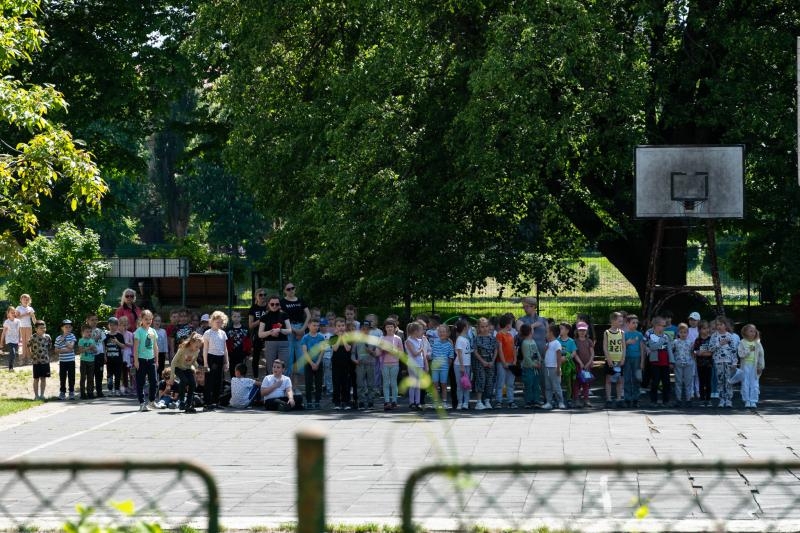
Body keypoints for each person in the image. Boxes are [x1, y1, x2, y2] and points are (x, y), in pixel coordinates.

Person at [280, 282, 310, 379]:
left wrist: (302, 330)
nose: (291, 290)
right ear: (285, 291)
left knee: (300, 357)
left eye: (292, 288)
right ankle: (287, 384)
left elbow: (308, 315)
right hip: (289, 329)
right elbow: (282, 318)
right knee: (289, 358)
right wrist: (295, 331)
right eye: (288, 289)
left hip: (301, 327)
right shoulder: (282, 302)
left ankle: (296, 385)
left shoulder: (301, 300)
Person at [202, 310, 230, 411]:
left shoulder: (223, 333)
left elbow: (225, 348)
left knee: (219, 381)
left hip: (220, 357)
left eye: (221, 322)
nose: (219, 324)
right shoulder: (207, 333)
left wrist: (227, 362)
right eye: (217, 322)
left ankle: (216, 402)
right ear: (212, 321)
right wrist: (205, 363)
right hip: (211, 357)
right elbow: (205, 349)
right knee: (209, 380)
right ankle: (207, 403)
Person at [133, 309, 159, 412]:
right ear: (141, 319)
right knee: (141, 382)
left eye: (150, 319)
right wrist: (136, 361)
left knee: (154, 381)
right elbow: (135, 348)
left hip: (151, 359)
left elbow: (155, 346)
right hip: (141, 360)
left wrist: (156, 360)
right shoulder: (138, 332)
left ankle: (152, 401)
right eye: (146, 319)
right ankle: (142, 403)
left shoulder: (153, 331)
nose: (148, 321)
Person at [709, 316, 737, 408]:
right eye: (717, 325)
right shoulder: (714, 336)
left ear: (725, 325)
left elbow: (733, 350)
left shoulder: (730, 336)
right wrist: (719, 344)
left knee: (728, 381)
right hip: (718, 361)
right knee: (720, 381)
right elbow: (711, 348)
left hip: (728, 362)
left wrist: (734, 363)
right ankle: (721, 400)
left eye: (721, 324)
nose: (719, 326)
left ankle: (728, 400)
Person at [645, 316, 674, 407]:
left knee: (666, 382)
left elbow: (669, 349)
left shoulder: (666, 336)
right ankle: (653, 401)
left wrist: (671, 361)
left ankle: (666, 401)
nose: (664, 327)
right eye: (662, 325)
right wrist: (661, 340)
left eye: (664, 326)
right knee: (655, 382)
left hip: (665, 363)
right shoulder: (651, 336)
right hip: (655, 363)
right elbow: (653, 347)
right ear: (656, 326)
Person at [171, 332, 203, 413]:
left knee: (192, 383)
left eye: (199, 347)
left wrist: (198, 368)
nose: (197, 348)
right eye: (196, 346)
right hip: (178, 367)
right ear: (192, 342)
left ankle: (189, 403)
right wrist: (172, 376)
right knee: (184, 380)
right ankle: (181, 401)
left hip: (187, 368)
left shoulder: (197, 351)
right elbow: (173, 362)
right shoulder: (183, 348)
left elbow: (193, 361)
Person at [257, 295, 291, 371]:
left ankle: (284, 382)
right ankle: (272, 383)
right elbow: (260, 334)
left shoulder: (284, 315)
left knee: (284, 367)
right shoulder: (264, 317)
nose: (274, 306)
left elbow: (289, 330)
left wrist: (280, 330)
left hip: (283, 344)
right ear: (268, 304)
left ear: (279, 305)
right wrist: (270, 332)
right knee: (270, 368)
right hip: (270, 344)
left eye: (277, 304)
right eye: (272, 304)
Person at [738, 324, 765, 409]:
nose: (753, 333)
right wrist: (748, 350)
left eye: (754, 331)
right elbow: (740, 354)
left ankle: (753, 400)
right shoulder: (742, 342)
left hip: (755, 366)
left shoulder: (757, 343)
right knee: (745, 383)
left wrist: (760, 366)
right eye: (751, 331)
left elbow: (761, 355)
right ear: (745, 332)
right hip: (745, 366)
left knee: (754, 383)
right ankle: (747, 400)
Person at [302, 317, 326, 409]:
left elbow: (322, 351)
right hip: (308, 363)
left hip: (318, 363)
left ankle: (317, 401)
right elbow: (305, 351)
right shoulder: (305, 337)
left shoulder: (321, 337)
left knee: (318, 383)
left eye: (317, 326)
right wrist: (312, 363)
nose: (316, 327)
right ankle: (308, 401)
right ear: (308, 326)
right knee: (308, 383)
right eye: (314, 325)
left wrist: (318, 362)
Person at [351, 320, 377, 409]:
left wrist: (371, 352)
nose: (365, 330)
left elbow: (377, 353)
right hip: (360, 365)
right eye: (363, 329)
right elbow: (353, 353)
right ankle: (361, 402)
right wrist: (355, 360)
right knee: (360, 384)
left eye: (367, 329)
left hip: (370, 364)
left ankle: (371, 402)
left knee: (371, 384)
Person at [473, 318, 497, 410]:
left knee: (489, 381)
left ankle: (487, 400)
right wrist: (483, 361)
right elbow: (475, 351)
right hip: (480, 362)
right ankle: (479, 402)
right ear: (478, 328)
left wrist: (492, 361)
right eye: (482, 327)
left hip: (490, 362)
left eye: (486, 326)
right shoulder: (476, 339)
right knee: (481, 380)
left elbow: (495, 350)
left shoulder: (492, 338)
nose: (485, 328)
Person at [603, 312, 625, 408]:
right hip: (610, 359)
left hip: (619, 360)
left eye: (622, 321)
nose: (621, 322)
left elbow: (623, 346)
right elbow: (605, 346)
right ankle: (608, 399)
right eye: (619, 321)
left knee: (619, 380)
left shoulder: (622, 333)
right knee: (608, 379)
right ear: (613, 321)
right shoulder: (607, 333)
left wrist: (623, 358)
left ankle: (619, 398)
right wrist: (608, 359)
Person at [329, 317, 352, 410]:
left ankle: (346, 402)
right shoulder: (332, 337)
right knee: (336, 383)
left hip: (346, 363)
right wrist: (339, 338)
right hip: (336, 364)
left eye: (342, 325)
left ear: (345, 326)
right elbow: (335, 348)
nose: (341, 328)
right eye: (338, 326)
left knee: (346, 383)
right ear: (335, 327)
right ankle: (337, 402)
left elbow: (347, 348)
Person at [622, 315, 645, 408]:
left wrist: (642, 361)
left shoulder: (639, 334)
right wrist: (627, 343)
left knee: (637, 378)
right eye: (633, 323)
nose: (635, 325)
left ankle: (636, 399)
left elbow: (642, 348)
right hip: (627, 358)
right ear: (627, 323)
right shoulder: (624, 334)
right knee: (627, 378)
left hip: (637, 358)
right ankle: (627, 399)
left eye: (636, 323)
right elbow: (622, 347)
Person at [380, 319, 403, 411]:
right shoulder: (382, 338)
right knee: (385, 383)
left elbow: (401, 352)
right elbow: (379, 350)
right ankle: (386, 401)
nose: (389, 328)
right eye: (387, 327)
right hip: (384, 363)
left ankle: (394, 401)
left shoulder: (398, 338)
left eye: (391, 327)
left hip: (394, 363)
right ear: (385, 328)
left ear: (395, 328)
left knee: (393, 382)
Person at [430, 324, 454, 409]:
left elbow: (451, 356)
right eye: (440, 332)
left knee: (444, 385)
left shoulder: (449, 344)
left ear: (448, 333)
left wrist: (448, 366)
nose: (441, 333)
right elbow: (432, 354)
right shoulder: (435, 342)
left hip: (444, 368)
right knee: (435, 385)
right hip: (435, 367)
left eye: (443, 332)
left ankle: (444, 402)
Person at [494, 315, 516, 408]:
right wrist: (503, 362)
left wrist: (514, 360)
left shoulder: (510, 335)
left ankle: (511, 400)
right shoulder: (499, 334)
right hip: (501, 362)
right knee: (500, 382)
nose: (512, 325)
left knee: (510, 383)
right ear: (507, 325)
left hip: (510, 362)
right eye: (511, 323)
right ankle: (499, 400)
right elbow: (500, 349)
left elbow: (514, 348)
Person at [542, 324, 565, 410]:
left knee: (556, 386)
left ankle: (560, 402)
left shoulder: (556, 343)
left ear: (551, 333)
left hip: (554, 367)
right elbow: (544, 355)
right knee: (548, 386)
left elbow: (559, 356)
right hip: (547, 367)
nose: (546, 334)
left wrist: (558, 367)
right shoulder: (548, 343)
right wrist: (545, 349)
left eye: (547, 332)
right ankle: (549, 402)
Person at [404, 322, 426, 411]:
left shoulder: (419, 340)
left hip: (420, 364)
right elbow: (414, 353)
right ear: (415, 331)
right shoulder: (408, 341)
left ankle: (417, 402)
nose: (422, 332)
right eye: (420, 330)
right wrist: (421, 348)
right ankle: (411, 402)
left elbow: (421, 354)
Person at [248, 289, 269, 379]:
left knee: (269, 357)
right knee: (256, 357)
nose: (263, 297)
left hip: (268, 334)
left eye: (264, 295)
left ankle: (269, 377)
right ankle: (256, 377)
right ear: (256, 296)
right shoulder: (253, 308)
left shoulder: (269, 306)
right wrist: (262, 319)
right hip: (257, 335)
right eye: (260, 295)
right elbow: (251, 325)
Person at [519, 323, 541, 408]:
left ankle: (536, 400)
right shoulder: (525, 343)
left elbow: (537, 351)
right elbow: (526, 357)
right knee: (528, 384)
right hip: (528, 368)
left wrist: (539, 360)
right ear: (529, 332)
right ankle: (528, 401)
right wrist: (533, 364)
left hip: (536, 366)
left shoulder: (533, 341)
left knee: (536, 384)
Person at [54, 319, 77, 400]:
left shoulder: (72, 336)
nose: (68, 329)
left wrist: (64, 341)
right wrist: (65, 350)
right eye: (66, 327)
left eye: (69, 327)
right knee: (62, 377)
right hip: (63, 361)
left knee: (71, 377)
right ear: (62, 328)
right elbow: (56, 350)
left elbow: (71, 347)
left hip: (71, 361)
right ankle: (62, 392)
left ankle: (71, 392)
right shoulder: (58, 338)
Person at [673, 323, 695, 407]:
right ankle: (678, 399)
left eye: (685, 332)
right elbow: (671, 351)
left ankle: (688, 399)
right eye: (681, 332)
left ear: (687, 333)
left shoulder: (690, 342)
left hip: (688, 364)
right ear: (678, 333)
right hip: (678, 364)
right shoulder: (675, 342)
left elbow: (693, 352)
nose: (683, 334)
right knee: (678, 382)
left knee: (688, 382)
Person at [28, 320, 51, 400]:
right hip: (36, 361)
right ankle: (36, 396)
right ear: (36, 329)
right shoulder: (33, 337)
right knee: (36, 379)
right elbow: (28, 346)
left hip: (45, 361)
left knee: (43, 378)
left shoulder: (48, 337)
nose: (43, 329)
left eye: (44, 328)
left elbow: (49, 347)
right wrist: (31, 354)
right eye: (41, 328)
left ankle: (42, 395)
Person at [693, 320, 714, 407]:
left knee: (708, 382)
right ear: (699, 330)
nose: (706, 330)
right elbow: (695, 351)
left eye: (707, 328)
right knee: (701, 382)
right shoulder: (698, 340)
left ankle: (708, 399)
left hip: (709, 364)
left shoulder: (711, 339)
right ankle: (702, 399)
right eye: (704, 328)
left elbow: (711, 352)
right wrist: (699, 353)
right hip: (700, 364)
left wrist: (702, 353)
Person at [573, 322, 594, 407]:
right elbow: (575, 354)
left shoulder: (589, 341)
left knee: (586, 383)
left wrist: (589, 363)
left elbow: (592, 353)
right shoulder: (575, 341)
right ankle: (576, 399)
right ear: (577, 331)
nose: (582, 332)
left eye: (584, 330)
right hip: (578, 365)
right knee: (576, 383)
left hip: (587, 366)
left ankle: (586, 399)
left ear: (587, 331)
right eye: (580, 330)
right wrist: (580, 363)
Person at [557, 322, 577, 408]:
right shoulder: (557, 340)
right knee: (558, 382)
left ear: (567, 330)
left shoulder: (571, 341)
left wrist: (567, 358)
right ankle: (558, 399)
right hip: (558, 364)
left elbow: (574, 353)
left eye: (561, 328)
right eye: (559, 328)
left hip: (568, 365)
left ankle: (569, 398)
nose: (560, 330)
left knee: (568, 383)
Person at [226, 310, 251, 379]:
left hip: (242, 354)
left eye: (238, 316)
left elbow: (248, 342)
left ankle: (241, 386)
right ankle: (234, 385)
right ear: (231, 317)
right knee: (232, 370)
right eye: (234, 316)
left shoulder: (245, 329)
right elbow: (226, 343)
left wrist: (248, 353)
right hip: (231, 354)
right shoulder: (228, 330)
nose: (236, 318)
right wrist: (227, 354)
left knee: (241, 370)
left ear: (241, 318)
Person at [454, 319, 472, 410]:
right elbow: (460, 353)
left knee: (466, 384)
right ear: (465, 328)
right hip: (460, 365)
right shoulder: (460, 339)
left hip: (467, 364)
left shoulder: (465, 339)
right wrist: (461, 366)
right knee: (460, 385)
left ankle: (466, 402)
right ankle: (460, 402)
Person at [104, 317, 125, 395]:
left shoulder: (120, 335)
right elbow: (104, 347)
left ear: (117, 326)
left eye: (114, 325)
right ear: (108, 326)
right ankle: (110, 390)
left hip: (118, 359)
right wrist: (105, 356)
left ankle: (117, 389)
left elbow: (123, 346)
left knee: (118, 375)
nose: (113, 327)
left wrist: (117, 342)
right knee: (109, 375)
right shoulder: (106, 336)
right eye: (111, 325)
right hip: (109, 359)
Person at [86, 313, 106, 398]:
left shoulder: (100, 331)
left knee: (99, 373)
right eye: (92, 320)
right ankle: (90, 392)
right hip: (90, 355)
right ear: (87, 321)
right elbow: (85, 342)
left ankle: (99, 391)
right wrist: (94, 339)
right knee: (90, 374)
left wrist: (105, 354)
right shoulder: (86, 332)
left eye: (96, 320)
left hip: (100, 355)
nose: (94, 322)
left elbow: (103, 343)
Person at [77, 323, 97, 399]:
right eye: (87, 332)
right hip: (84, 361)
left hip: (91, 361)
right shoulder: (81, 340)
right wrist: (89, 348)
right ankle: (82, 393)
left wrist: (94, 349)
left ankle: (90, 392)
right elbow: (81, 350)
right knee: (83, 377)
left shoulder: (92, 341)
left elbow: (95, 351)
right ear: (82, 333)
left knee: (90, 377)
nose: (89, 333)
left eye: (90, 332)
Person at [15, 294, 35, 363]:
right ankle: (23, 358)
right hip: (21, 327)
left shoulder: (30, 308)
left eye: (27, 300)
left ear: (29, 301)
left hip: (29, 327)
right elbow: (16, 317)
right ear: (21, 300)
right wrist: (26, 314)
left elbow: (33, 318)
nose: (25, 301)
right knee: (22, 342)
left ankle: (29, 357)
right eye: (24, 299)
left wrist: (37, 325)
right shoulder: (18, 307)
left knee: (29, 342)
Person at [118, 315, 134, 395]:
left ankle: (129, 386)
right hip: (119, 355)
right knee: (121, 372)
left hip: (127, 355)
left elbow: (132, 344)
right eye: (121, 325)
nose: (123, 327)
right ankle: (122, 386)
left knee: (128, 371)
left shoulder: (130, 334)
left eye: (125, 325)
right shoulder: (117, 334)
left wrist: (126, 343)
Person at [1, 306, 20, 371]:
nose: (13, 313)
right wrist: (1, 343)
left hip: (16, 340)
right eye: (11, 312)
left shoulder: (18, 321)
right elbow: (3, 333)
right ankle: (10, 367)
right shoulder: (6, 322)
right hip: (9, 340)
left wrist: (20, 340)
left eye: (14, 312)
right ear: (8, 313)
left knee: (14, 354)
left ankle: (11, 366)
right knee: (13, 352)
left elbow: (19, 331)